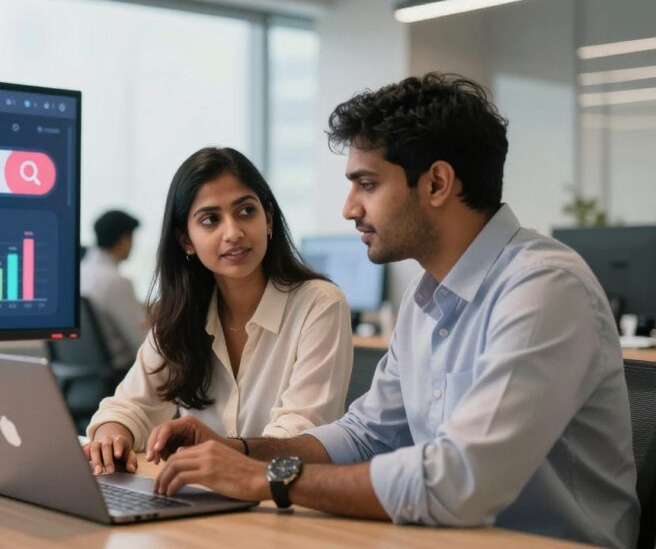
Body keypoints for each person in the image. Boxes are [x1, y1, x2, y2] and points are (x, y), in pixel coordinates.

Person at [146, 75, 639, 549]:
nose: (349, 208)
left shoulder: (543, 288)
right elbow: (366, 435)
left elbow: (459, 482)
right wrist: (246, 451)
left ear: (437, 183)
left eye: (367, 184)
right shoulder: (426, 298)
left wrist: (268, 478)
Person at [84, 147, 354, 476]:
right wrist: (111, 436)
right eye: (210, 219)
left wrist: (227, 453)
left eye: (246, 211)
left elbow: (299, 437)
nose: (233, 232)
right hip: (204, 501)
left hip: (283, 501)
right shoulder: (183, 314)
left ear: (268, 219)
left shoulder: (319, 305)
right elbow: (129, 405)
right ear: (186, 240)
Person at [81, 210, 147, 370]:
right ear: (124, 239)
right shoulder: (115, 281)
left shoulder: (81, 272)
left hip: (86, 377)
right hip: (120, 375)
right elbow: (143, 344)